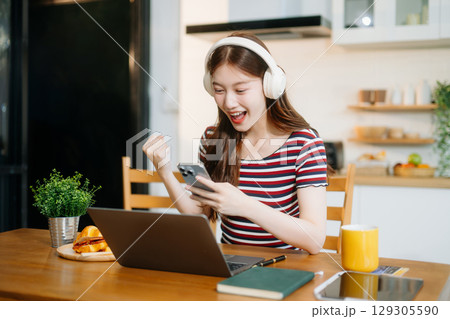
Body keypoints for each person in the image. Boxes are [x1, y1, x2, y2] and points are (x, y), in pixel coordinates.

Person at [143, 32, 328, 254]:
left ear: (270, 86)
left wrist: (244, 205)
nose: (229, 102)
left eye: (240, 90)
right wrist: (163, 170)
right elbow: (199, 214)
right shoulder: (214, 140)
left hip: (286, 269)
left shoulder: (305, 144)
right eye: (219, 90)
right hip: (231, 265)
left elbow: (315, 240)